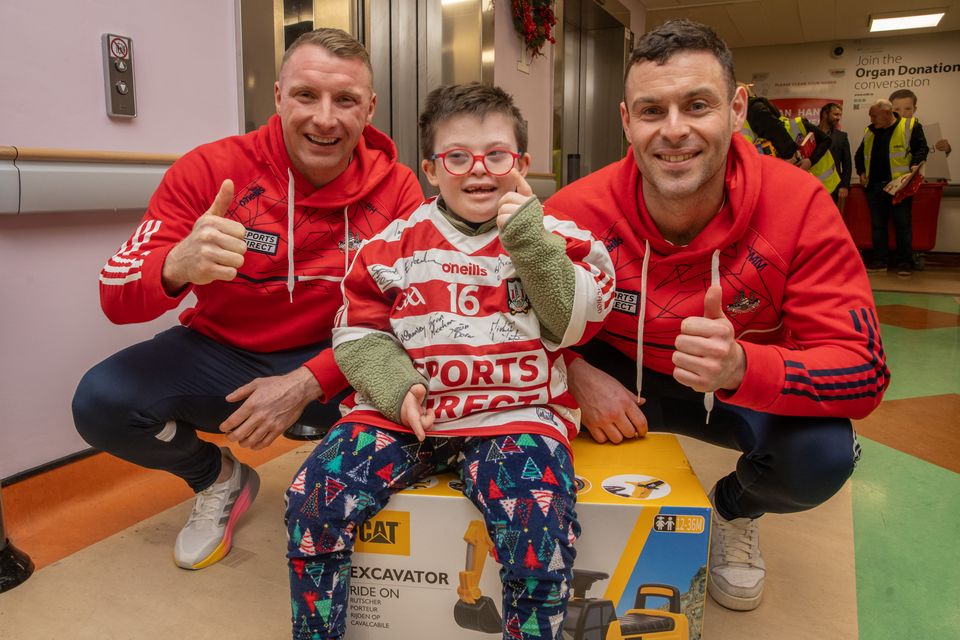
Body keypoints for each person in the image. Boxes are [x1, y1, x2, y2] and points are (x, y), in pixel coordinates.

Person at [546, 19, 889, 612]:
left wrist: (740, 366)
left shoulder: (799, 205)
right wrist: (573, 371)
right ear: (627, 122)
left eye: (697, 105)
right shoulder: (576, 210)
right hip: (617, 374)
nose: (674, 131)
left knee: (822, 456)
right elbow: (498, 323)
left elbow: (862, 371)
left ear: (736, 109)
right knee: (509, 395)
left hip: (732, 385)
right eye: (652, 111)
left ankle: (732, 509)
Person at [71, 28, 424, 571]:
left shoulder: (398, 189)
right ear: (279, 96)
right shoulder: (211, 171)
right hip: (225, 355)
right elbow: (114, 298)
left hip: (343, 358)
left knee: (434, 387)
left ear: (370, 109)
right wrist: (174, 265)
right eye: (307, 95)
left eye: (345, 100)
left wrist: (307, 381)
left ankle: (373, 504)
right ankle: (218, 479)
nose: (325, 119)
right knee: (103, 401)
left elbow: (409, 318)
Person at [284, 82, 615, 639]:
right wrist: (395, 387)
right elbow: (357, 331)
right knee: (313, 501)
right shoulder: (393, 244)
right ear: (432, 170)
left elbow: (573, 323)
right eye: (457, 157)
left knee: (539, 534)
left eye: (497, 155)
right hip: (407, 416)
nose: (478, 171)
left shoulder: (562, 237)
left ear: (523, 164)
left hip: (514, 416)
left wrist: (528, 241)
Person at [854, 99, 929, 277]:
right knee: (878, 226)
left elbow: (922, 148)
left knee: (902, 225)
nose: (871, 119)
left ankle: (904, 263)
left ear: (887, 113)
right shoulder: (869, 130)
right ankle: (880, 261)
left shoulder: (909, 126)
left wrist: (915, 164)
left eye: (874, 115)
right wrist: (862, 171)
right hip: (874, 188)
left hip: (899, 187)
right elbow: (859, 154)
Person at [740, 89, 838, 194]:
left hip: (828, 182)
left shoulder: (798, 124)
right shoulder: (769, 139)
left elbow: (826, 140)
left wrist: (810, 161)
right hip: (811, 185)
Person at [890, 89, 952, 157]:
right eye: (897, 109)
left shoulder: (924, 132)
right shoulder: (881, 134)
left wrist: (946, 149)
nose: (902, 114)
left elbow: (933, 159)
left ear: (914, 109)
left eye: (907, 109)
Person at [818, 102, 853, 208]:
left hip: (833, 187)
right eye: (835, 114)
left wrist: (844, 186)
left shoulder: (842, 137)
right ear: (825, 114)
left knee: (830, 220)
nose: (838, 118)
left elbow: (847, 163)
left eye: (839, 115)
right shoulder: (810, 134)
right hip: (812, 185)